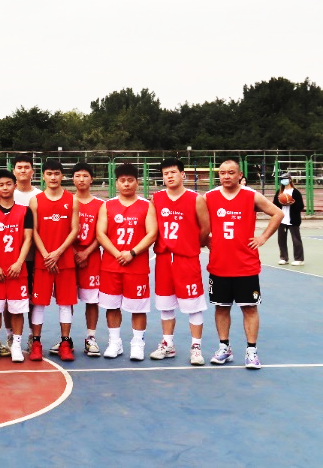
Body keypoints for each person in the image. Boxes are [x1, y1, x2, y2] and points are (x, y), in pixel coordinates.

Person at [206, 159, 282, 370]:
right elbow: (195, 219)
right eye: (222, 172)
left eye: (231, 172)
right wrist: (204, 238)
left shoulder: (251, 195)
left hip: (245, 265)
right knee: (221, 307)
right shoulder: (209, 197)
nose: (226, 176)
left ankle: (251, 351)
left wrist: (263, 237)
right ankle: (224, 348)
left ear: (240, 175)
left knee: (249, 308)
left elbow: (278, 213)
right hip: (219, 264)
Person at [150, 158, 211, 365]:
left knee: (193, 305)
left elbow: (205, 228)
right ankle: (168, 344)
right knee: (165, 304)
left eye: (173, 172)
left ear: (183, 174)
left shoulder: (196, 199)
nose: (169, 176)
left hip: (186, 259)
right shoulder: (157, 198)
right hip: (164, 258)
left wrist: (192, 244)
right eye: (166, 173)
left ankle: (196, 347)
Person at [96, 163, 158, 361]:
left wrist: (132, 252)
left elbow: (152, 233)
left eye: (130, 180)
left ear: (137, 183)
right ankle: (115, 342)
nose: (126, 184)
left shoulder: (146, 206)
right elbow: (100, 233)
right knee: (112, 305)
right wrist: (117, 253)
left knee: (138, 307)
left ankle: (137, 344)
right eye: (122, 180)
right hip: (111, 265)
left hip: (136, 265)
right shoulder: (107, 205)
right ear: (116, 183)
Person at [28, 159, 80, 362]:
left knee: (65, 304)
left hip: (64, 260)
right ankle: (36, 343)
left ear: (62, 176)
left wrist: (58, 253)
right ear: (43, 176)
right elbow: (34, 231)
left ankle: (65, 343)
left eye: (57, 173)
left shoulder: (72, 199)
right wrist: (46, 255)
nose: (53, 177)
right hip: (43, 261)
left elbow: (74, 230)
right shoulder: (35, 200)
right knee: (39, 303)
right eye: (49, 173)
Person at [0, 170, 34, 362]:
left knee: (18, 310)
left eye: (8, 184)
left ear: (15, 186)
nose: (5, 188)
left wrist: (19, 263)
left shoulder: (25, 211)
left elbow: (28, 238)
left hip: (17, 270)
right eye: (1, 185)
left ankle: (16, 345)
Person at [71, 162, 103, 357]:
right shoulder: (66, 201)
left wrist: (85, 253)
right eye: (77, 176)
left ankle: (91, 337)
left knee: (92, 300)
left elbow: (102, 234)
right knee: (67, 300)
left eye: (85, 176)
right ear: (72, 179)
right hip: (69, 255)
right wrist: (74, 252)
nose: (81, 179)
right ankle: (65, 338)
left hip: (91, 257)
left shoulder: (100, 205)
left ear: (92, 179)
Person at [12, 154, 42, 354]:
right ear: (14, 171)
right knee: (10, 301)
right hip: (10, 258)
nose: (23, 170)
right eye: (19, 167)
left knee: (32, 299)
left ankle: (33, 336)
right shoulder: (6, 193)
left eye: (26, 167)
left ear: (32, 171)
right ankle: (10, 336)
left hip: (33, 258)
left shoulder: (39, 196)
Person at [273, 171, 305, 265]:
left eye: (285, 179)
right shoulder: (279, 192)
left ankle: (299, 259)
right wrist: (280, 202)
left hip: (293, 220)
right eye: (282, 179)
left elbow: (300, 206)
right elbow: (275, 205)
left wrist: (292, 203)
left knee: (296, 240)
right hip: (282, 219)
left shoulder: (296, 192)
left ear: (290, 180)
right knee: (281, 240)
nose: (284, 181)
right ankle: (284, 258)